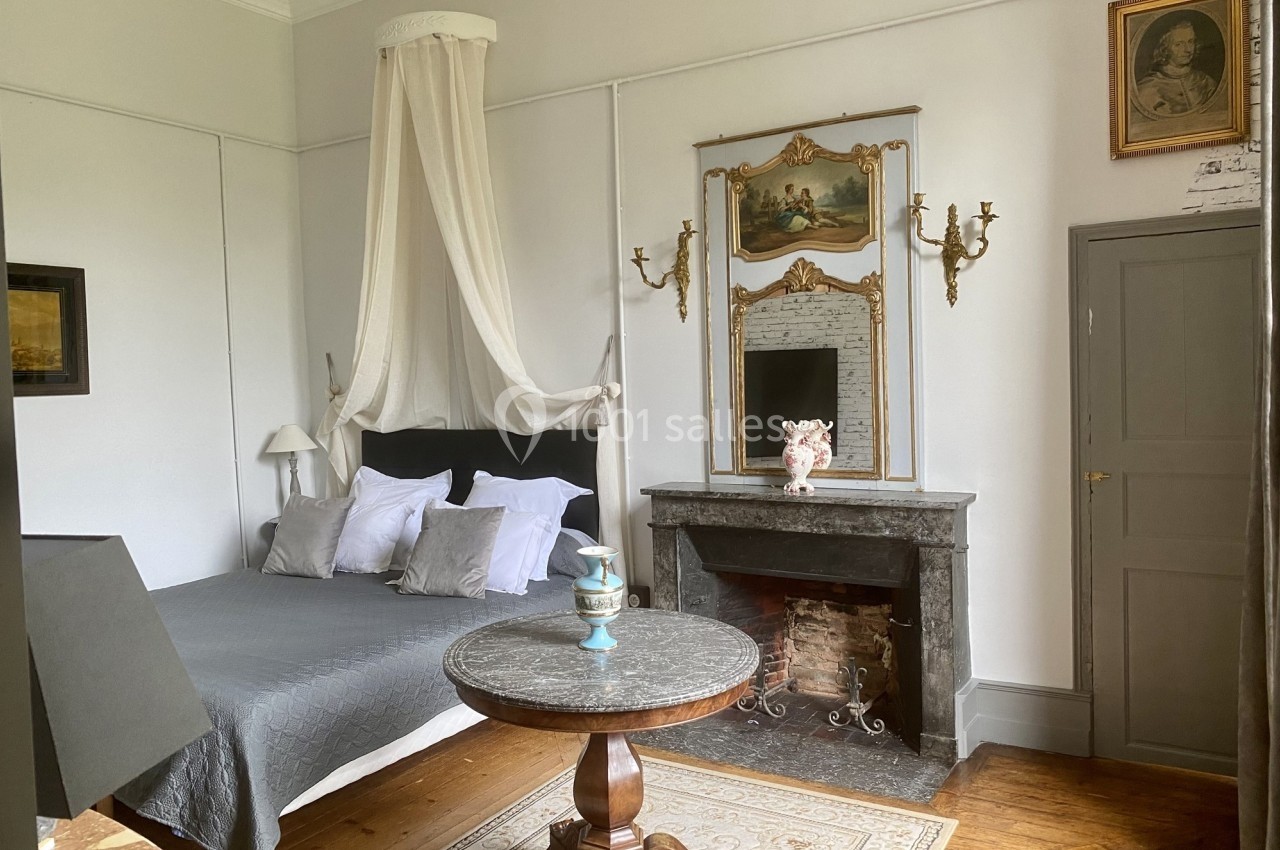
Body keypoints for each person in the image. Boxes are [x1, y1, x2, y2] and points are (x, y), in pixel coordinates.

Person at [1135, 18, 1219, 117]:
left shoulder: (1206, 82)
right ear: (1164, 48)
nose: (1188, 50)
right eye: (1179, 44)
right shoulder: (1147, 89)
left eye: (1191, 42)